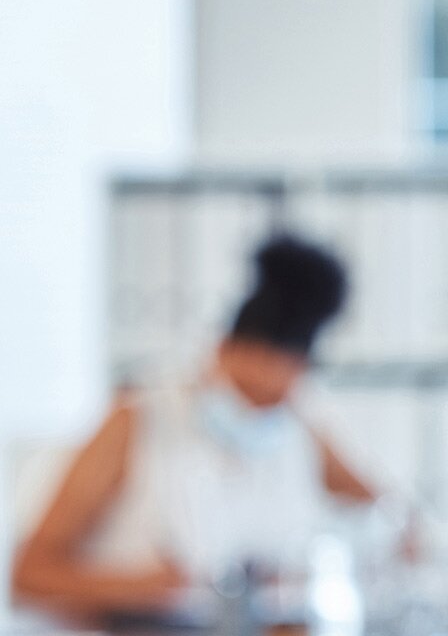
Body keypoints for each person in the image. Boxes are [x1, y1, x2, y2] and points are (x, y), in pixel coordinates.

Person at [12, 233, 407, 624]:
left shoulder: (300, 428)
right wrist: (139, 588)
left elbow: (390, 512)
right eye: (245, 389)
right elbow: (27, 575)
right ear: (219, 350)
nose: (256, 410)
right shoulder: (138, 418)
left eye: (272, 400)